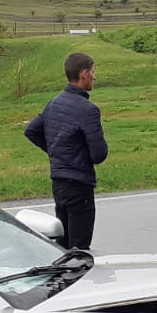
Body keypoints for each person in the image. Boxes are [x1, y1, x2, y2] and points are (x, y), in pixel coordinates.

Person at [24, 51, 108, 249]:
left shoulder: (54, 103)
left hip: (59, 183)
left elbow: (31, 131)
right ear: (84, 73)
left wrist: (57, 152)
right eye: (93, 71)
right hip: (79, 185)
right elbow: (99, 154)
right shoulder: (88, 110)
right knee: (79, 251)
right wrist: (74, 156)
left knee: (62, 245)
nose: (95, 76)